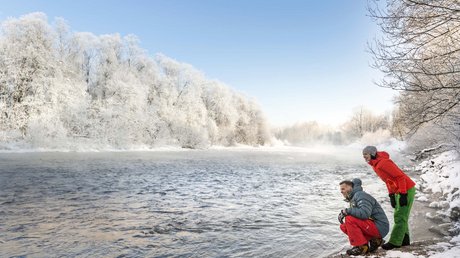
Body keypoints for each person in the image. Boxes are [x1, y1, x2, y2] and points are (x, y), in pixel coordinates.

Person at [362, 146, 416, 250]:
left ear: (372, 154)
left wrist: (403, 194)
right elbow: (388, 181)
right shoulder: (375, 165)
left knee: (400, 216)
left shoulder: (384, 163)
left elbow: (400, 177)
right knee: (401, 215)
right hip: (398, 190)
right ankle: (404, 239)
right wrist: (391, 195)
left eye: (366, 154)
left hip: (406, 189)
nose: (364, 157)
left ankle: (395, 242)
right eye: (363, 155)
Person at [338, 178, 389, 256]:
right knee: (343, 226)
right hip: (374, 226)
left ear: (350, 187)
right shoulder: (354, 197)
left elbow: (365, 213)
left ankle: (362, 247)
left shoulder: (360, 195)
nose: (341, 191)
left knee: (349, 219)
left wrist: (347, 211)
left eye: (343, 188)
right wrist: (345, 212)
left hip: (380, 226)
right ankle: (375, 240)